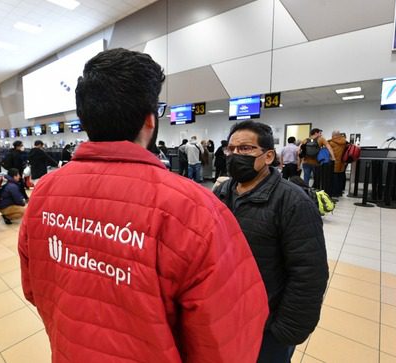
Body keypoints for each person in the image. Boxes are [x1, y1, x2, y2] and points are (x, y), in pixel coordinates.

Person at [18, 48, 268, 362]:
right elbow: (226, 338)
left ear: (85, 119)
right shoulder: (195, 210)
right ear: (150, 121)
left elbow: (34, 288)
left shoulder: (44, 193)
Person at [213, 120, 329, 363]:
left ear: (268, 157)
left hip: (268, 328)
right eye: (231, 149)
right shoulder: (221, 194)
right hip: (225, 317)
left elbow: (309, 274)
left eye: (245, 149)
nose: (235, 155)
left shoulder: (293, 203)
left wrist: (285, 333)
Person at [328, 130, 347, 197]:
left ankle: (334, 192)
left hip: (334, 162)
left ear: (334, 135)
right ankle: (339, 192)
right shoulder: (344, 141)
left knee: (334, 178)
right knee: (340, 177)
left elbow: (328, 152)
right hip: (341, 163)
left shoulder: (331, 143)